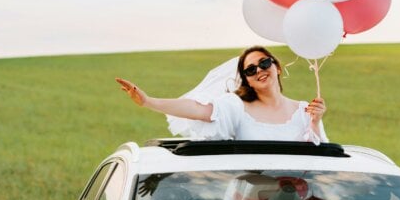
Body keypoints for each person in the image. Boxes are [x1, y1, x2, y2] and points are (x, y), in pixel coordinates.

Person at [116, 46, 327, 143]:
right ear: (246, 80)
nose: (259, 71)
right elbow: (197, 110)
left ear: (277, 67)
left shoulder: (305, 110)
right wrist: (147, 101)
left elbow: (321, 159)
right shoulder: (236, 106)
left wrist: (315, 122)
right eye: (250, 70)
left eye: (264, 63)